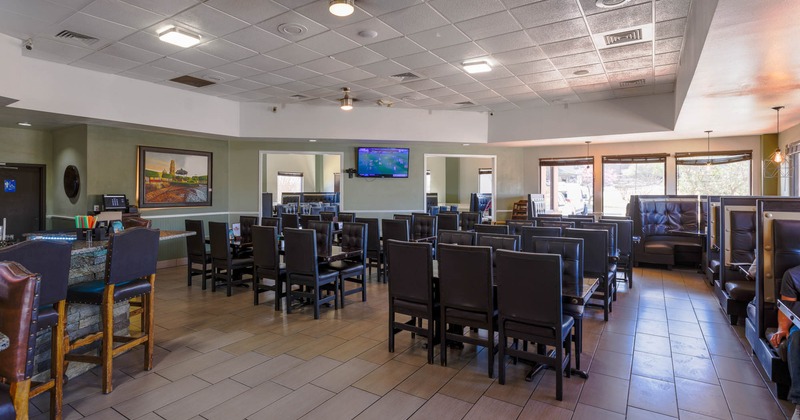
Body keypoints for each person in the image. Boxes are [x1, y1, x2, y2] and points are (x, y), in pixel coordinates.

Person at [770, 265, 800, 420]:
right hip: (799, 326)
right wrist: (782, 328)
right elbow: (786, 308)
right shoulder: (793, 275)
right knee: (797, 339)